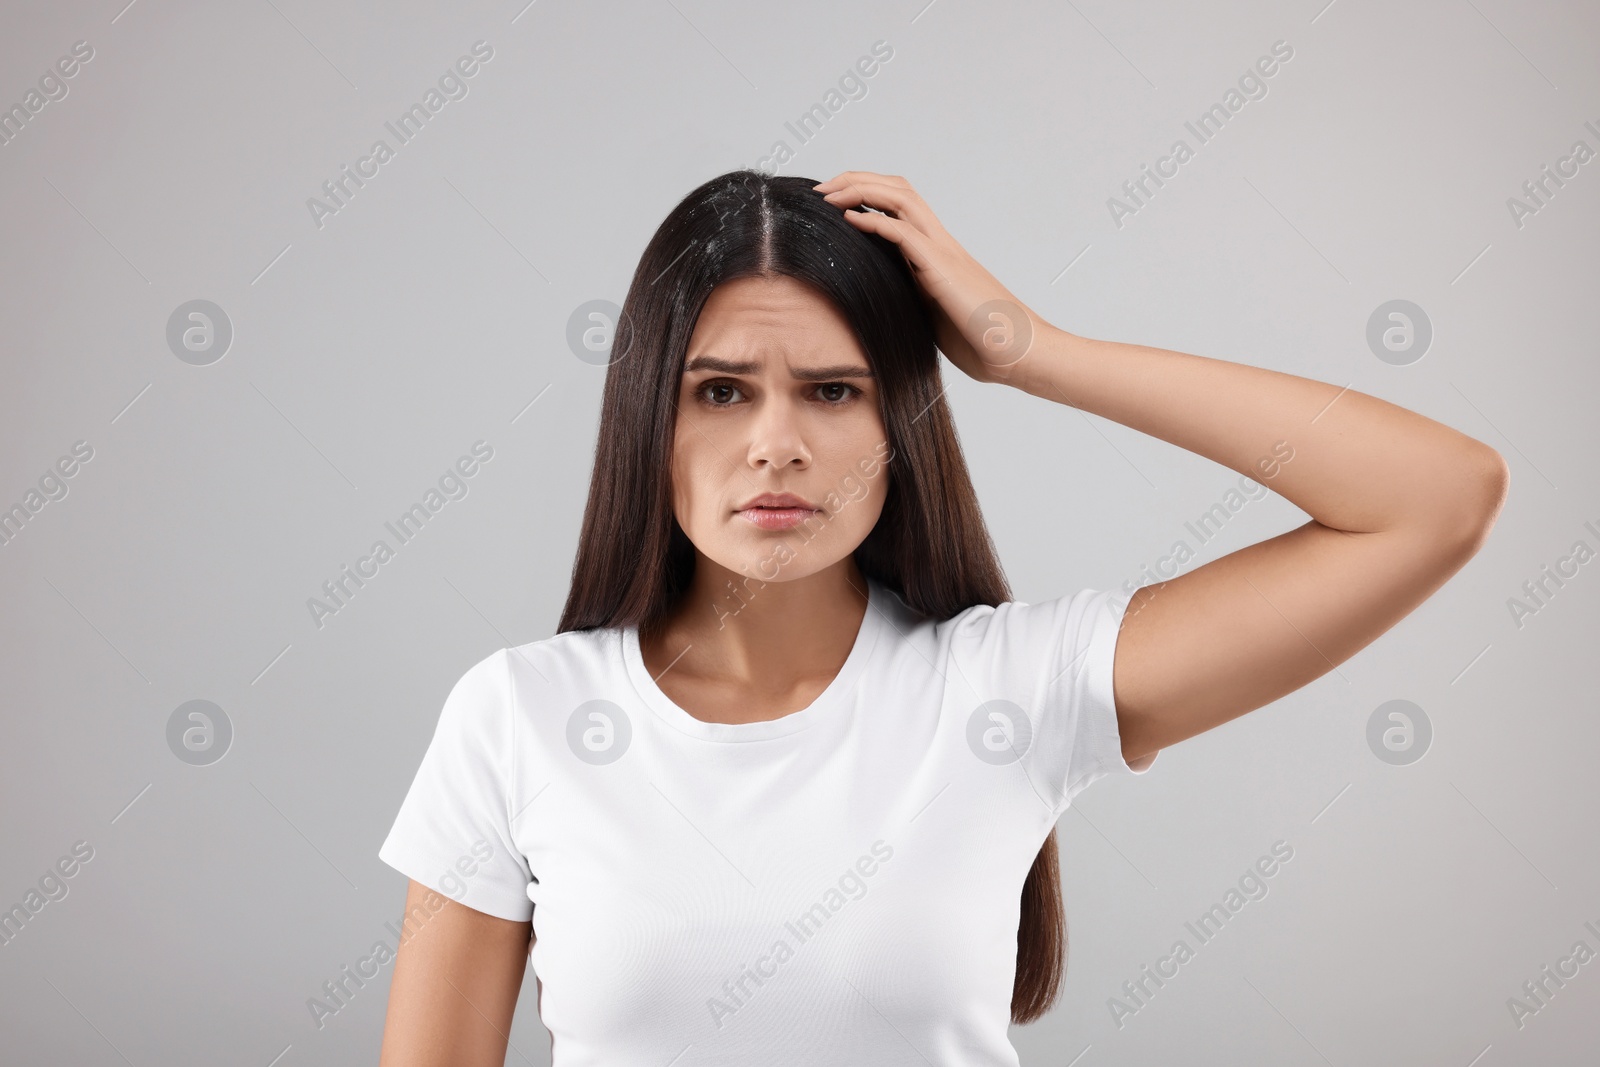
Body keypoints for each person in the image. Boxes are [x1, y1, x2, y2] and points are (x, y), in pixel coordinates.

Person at [375, 169, 1507, 1065]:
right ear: (646, 419)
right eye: (720, 390)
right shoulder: (517, 714)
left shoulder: (1009, 688)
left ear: (899, 421)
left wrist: (1035, 351)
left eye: (833, 389)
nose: (777, 442)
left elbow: (1435, 497)